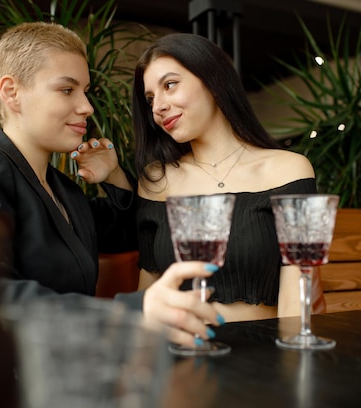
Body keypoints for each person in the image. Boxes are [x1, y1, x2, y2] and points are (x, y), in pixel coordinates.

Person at [0, 22, 223, 347]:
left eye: (85, 91)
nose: (87, 107)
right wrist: (132, 311)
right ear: (12, 93)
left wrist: (114, 174)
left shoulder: (66, 192)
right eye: (67, 89)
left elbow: (135, 229)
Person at [132, 32, 326, 322]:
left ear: (212, 80)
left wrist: (290, 362)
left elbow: (296, 295)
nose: (158, 107)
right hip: (182, 353)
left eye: (170, 85)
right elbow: (148, 295)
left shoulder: (290, 170)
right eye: (150, 99)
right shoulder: (156, 179)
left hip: (262, 356)